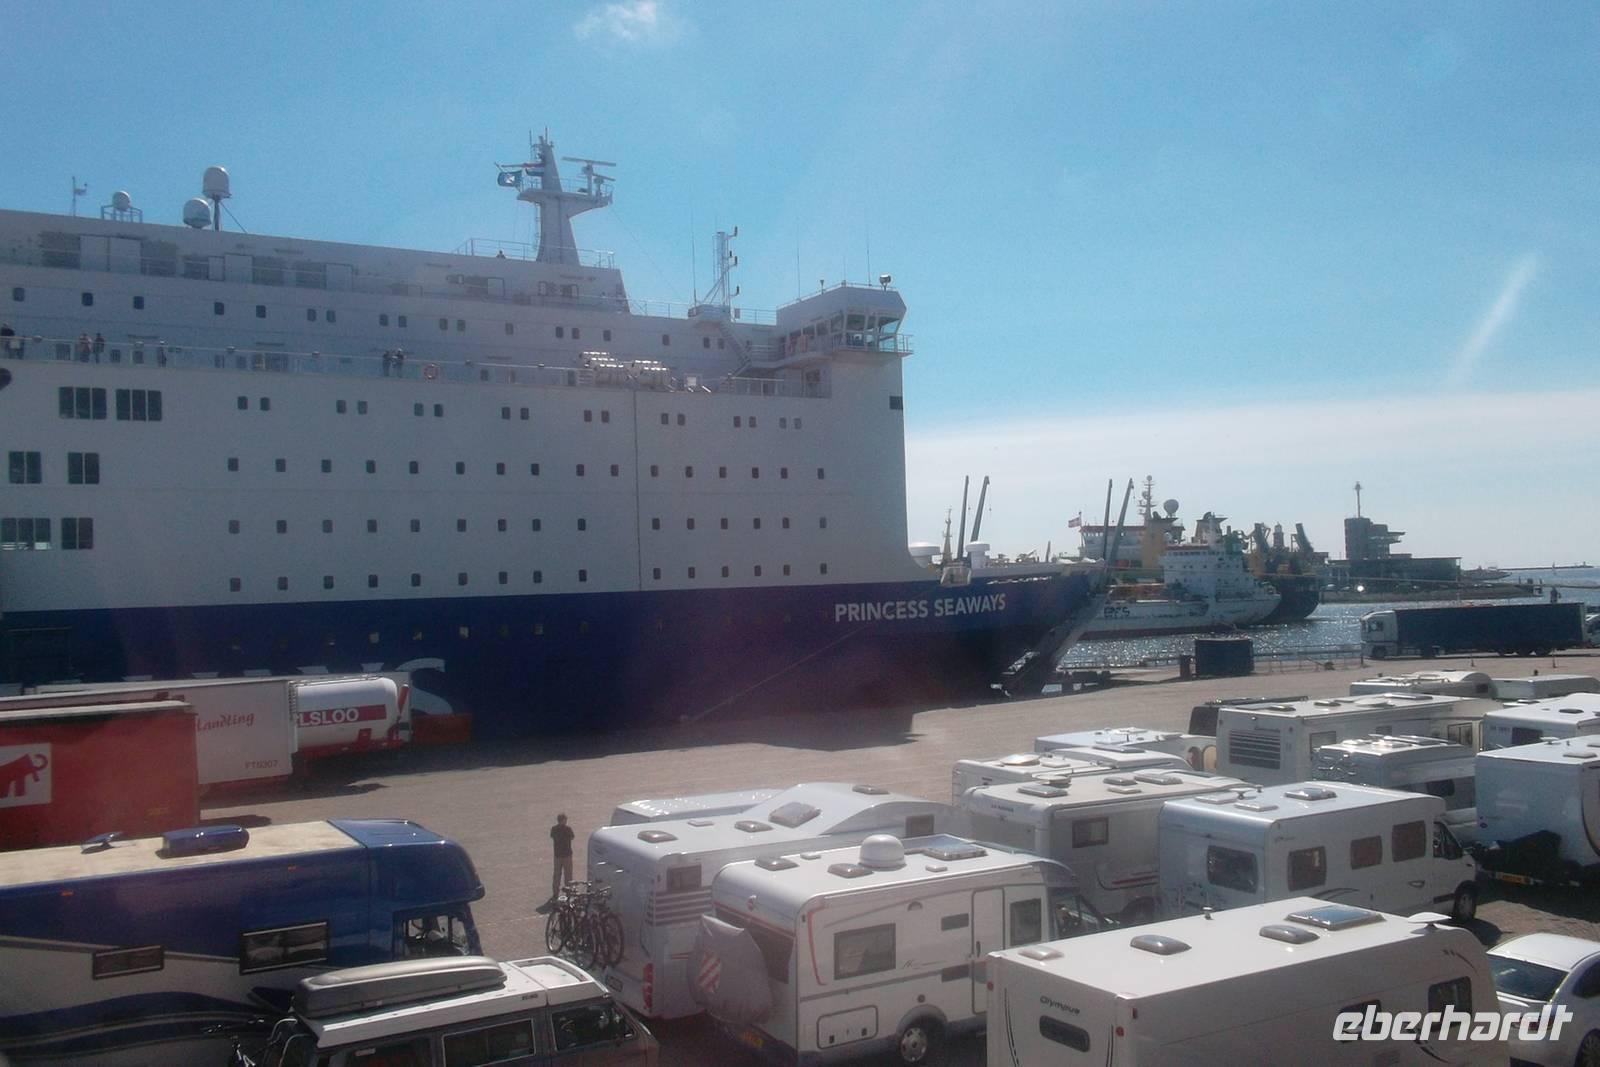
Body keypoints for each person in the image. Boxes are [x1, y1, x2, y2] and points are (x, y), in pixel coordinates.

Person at [550, 812, 575, 902]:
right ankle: (568, 893)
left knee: (557, 874)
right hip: (567, 855)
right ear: (563, 820)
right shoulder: (568, 829)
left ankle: (555, 893)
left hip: (557, 855)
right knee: (568, 875)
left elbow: (553, 837)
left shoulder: (554, 829)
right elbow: (572, 837)